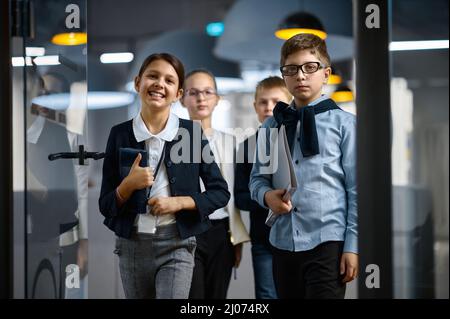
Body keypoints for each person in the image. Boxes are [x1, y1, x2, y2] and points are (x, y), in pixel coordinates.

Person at [98, 53, 230, 299]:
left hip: (178, 243)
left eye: (170, 80)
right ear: (138, 83)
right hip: (132, 245)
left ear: (178, 94)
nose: (160, 83)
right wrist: (127, 186)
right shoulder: (119, 134)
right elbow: (106, 205)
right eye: (152, 76)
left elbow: (220, 193)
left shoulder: (191, 134)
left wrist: (180, 202)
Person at [249, 34, 358, 299]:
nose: (300, 76)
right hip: (282, 242)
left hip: (327, 242)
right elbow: (256, 180)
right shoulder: (271, 126)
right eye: (291, 69)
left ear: (326, 74)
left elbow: (357, 190)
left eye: (310, 67)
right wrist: (266, 196)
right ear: (284, 75)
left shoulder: (345, 124)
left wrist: (352, 246)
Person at [180, 69, 250, 299]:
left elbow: (232, 193)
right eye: (194, 92)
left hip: (222, 232)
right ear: (182, 98)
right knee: (194, 298)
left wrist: (237, 237)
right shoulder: (175, 141)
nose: (201, 98)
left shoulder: (229, 142)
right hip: (188, 229)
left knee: (217, 297)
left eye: (208, 92)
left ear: (217, 99)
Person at [234, 76, 292, 299]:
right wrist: (267, 199)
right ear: (255, 106)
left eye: (276, 102)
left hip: (299, 237)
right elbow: (240, 197)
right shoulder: (246, 146)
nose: (269, 108)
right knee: (267, 296)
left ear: (288, 102)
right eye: (263, 102)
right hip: (264, 238)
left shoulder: (297, 140)